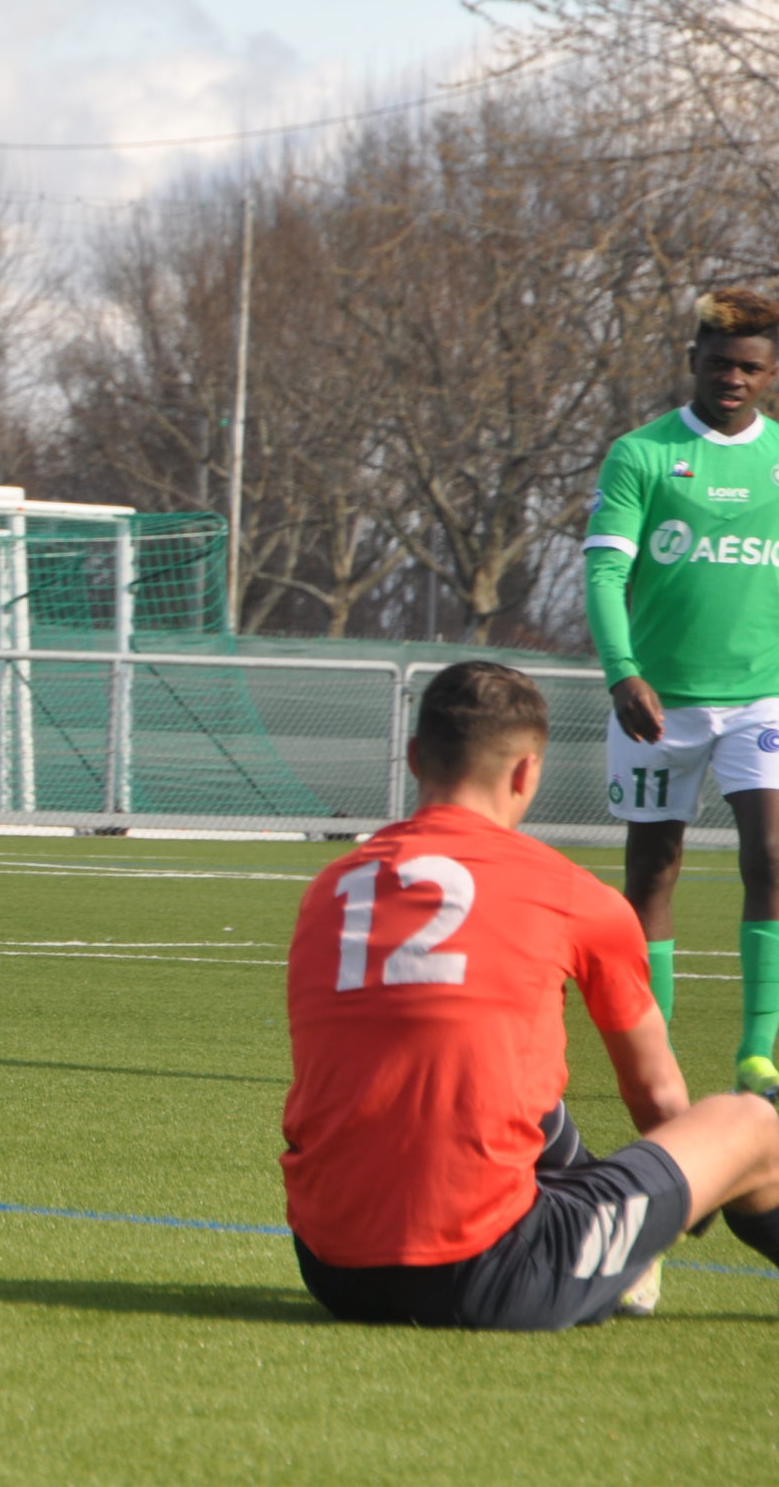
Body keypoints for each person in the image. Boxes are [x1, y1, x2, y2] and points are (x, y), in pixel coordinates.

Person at [282, 661, 779, 1329]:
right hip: (494, 1273)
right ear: (527, 773)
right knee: (749, 1125)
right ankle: (618, 1258)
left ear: (413, 758)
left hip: (332, 1269)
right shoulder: (574, 895)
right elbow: (659, 1102)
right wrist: (688, 1195)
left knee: (500, 1085)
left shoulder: (330, 890)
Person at [585, 287, 779, 1096]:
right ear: (692, 361)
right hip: (657, 700)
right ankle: (652, 1045)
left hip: (762, 699)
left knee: (772, 853)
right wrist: (623, 671)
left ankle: (758, 1053)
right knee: (652, 868)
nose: (732, 378)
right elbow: (604, 570)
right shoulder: (643, 454)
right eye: (719, 362)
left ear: (768, 374)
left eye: (750, 366)